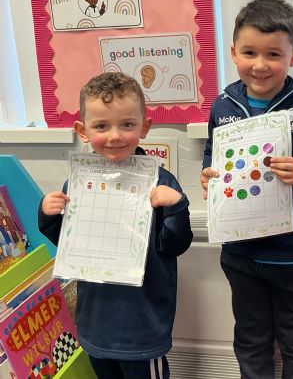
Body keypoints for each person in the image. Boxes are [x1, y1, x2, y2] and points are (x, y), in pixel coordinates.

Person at [200, 0, 293, 379]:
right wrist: (207, 174)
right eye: (249, 52)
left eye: (274, 54)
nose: (260, 65)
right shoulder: (222, 105)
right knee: (250, 339)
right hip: (240, 252)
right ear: (233, 53)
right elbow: (212, 152)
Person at [39, 72, 193, 379]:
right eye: (101, 126)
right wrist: (48, 214)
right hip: (96, 322)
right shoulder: (77, 183)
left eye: (126, 124)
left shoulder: (161, 183)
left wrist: (176, 206)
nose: (114, 136)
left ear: (144, 127)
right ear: (82, 130)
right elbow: (70, 244)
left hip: (142, 325)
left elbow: (175, 245)